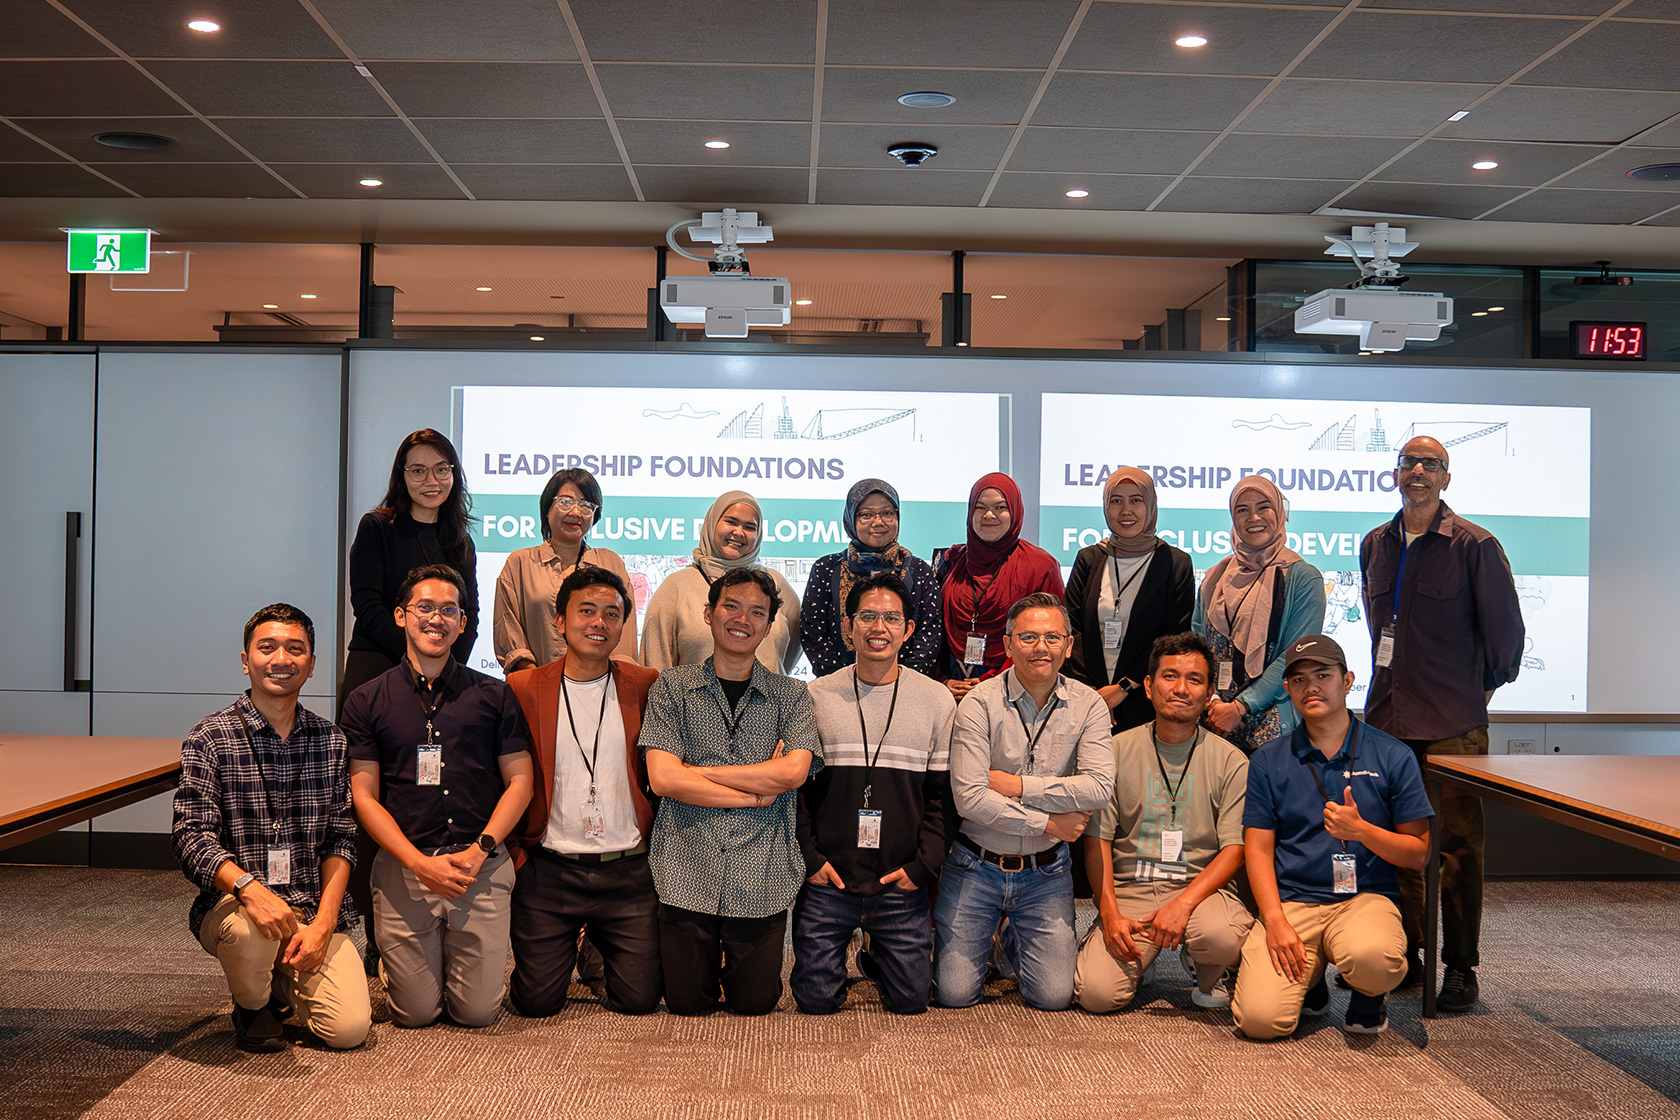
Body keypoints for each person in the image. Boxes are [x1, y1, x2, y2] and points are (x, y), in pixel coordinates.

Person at [1360, 436, 1524, 1013]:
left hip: (1453, 719)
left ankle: (1459, 967)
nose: (1419, 472)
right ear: (1396, 474)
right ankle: (1408, 953)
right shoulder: (1375, 543)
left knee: (1457, 847)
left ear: (1446, 478)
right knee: (1396, 842)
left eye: (1431, 464)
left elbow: (1506, 640)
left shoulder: (1475, 545)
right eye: (1409, 463)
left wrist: (1474, 691)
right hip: (1388, 718)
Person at [171, 604, 371, 1053]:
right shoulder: (211, 737)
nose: (281, 658)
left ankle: (278, 985)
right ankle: (253, 1002)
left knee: (350, 1030)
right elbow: (191, 837)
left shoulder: (331, 740)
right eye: (267, 647)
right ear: (246, 660)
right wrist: (249, 888)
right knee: (250, 933)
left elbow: (342, 839)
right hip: (236, 906)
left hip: (307, 908)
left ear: (312, 665)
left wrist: (323, 925)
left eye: (295, 649)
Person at [341, 564, 534, 1028]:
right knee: (415, 1014)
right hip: (406, 865)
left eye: (450, 610)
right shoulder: (367, 700)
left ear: (464, 623)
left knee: (477, 1013)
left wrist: (481, 849)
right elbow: (364, 796)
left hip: (478, 865)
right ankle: (405, 963)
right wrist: (417, 862)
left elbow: (521, 782)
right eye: (424, 608)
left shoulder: (494, 695)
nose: (437, 619)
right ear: (401, 616)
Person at [639, 566, 822, 1015]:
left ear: (769, 625)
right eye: (731, 606)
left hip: (761, 869)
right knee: (685, 1003)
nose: (743, 619)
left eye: (757, 612)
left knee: (755, 1003)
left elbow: (794, 773)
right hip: (686, 867)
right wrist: (759, 787)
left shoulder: (792, 695)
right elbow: (664, 779)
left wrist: (698, 773)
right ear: (709, 613)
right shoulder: (671, 687)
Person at [1231, 634, 1433, 1040]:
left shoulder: (1392, 755)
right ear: (1287, 690)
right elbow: (1257, 848)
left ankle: (1368, 993)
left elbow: (1418, 854)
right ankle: (1311, 980)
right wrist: (1273, 920)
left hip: (1365, 898)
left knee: (1373, 958)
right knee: (1259, 1021)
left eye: (1323, 675)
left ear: (1348, 680)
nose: (1312, 687)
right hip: (1293, 902)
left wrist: (1361, 832)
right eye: (1300, 680)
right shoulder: (1269, 759)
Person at [935, 592, 1115, 1011]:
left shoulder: (1089, 704)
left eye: (1053, 638)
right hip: (975, 865)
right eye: (1029, 637)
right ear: (1009, 642)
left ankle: (1009, 939)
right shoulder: (978, 703)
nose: (1041, 648)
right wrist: (1050, 824)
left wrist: (1017, 786)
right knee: (954, 994)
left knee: (1052, 997)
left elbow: (1099, 787)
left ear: (1069, 645)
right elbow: (970, 799)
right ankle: (992, 931)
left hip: (1045, 872)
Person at [793, 572, 958, 1015]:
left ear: (908, 629)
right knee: (814, 1001)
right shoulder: (816, 695)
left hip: (898, 881)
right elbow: (799, 794)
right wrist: (812, 860)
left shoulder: (937, 700)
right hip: (830, 878)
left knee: (910, 1002)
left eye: (891, 618)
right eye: (867, 616)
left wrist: (922, 868)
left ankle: (875, 954)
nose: (878, 627)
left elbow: (943, 798)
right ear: (848, 628)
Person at [503, 565, 662, 1016]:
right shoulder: (523, 687)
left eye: (611, 614)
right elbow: (504, 778)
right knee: (536, 1003)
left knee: (639, 1001)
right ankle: (573, 944)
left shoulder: (646, 685)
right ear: (560, 621)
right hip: (550, 870)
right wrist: (517, 853)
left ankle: (597, 948)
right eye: (586, 610)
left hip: (628, 871)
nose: (599, 622)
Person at [1073, 631, 1252, 1013]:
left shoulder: (1231, 760)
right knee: (1096, 996)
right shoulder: (1115, 751)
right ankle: (1143, 959)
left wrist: (1183, 905)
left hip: (1200, 890)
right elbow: (1097, 840)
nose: (1181, 688)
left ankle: (1208, 968)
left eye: (1195, 679)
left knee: (1218, 936)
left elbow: (1235, 849)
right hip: (1132, 888)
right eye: (1170, 676)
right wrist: (1108, 915)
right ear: (1150, 687)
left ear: (1208, 694)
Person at [1192, 475, 1327, 754]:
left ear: (1279, 513)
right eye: (1242, 509)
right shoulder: (1214, 578)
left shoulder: (1303, 578)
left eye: (1263, 507)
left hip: (1274, 726)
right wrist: (1214, 703)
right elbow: (1196, 646)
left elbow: (1295, 655)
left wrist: (1241, 707)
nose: (1253, 516)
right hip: (1214, 721)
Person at [344, 428, 479, 700]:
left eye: (442, 469)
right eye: (418, 471)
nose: (432, 480)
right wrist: (418, 652)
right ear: (402, 476)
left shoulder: (461, 541)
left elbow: (469, 615)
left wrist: (446, 663)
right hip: (378, 658)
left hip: (442, 667)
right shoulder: (378, 527)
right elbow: (367, 604)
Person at [1064, 468, 1195, 732]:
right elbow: (1071, 628)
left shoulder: (1175, 563)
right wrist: (1093, 693)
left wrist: (1123, 688)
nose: (1126, 510)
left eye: (1136, 500)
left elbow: (1172, 637)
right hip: (1085, 700)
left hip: (1145, 701)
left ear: (1150, 505)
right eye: (1116, 500)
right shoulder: (1089, 559)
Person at [936, 473, 1065, 701]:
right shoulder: (950, 561)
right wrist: (941, 681)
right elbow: (935, 630)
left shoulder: (1041, 566)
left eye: (1000, 507)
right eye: (980, 507)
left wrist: (993, 682)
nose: (989, 515)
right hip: (951, 689)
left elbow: (1049, 636)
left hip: (1015, 692)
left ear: (1015, 512)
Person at [641, 490, 801, 674]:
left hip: (769, 701)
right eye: (731, 522)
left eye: (750, 527)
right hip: (693, 702)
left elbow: (793, 648)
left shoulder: (775, 584)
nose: (739, 532)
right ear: (712, 524)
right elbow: (655, 662)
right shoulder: (676, 586)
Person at [494, 467, 638, 673]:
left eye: (586, 505)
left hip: (602, 689)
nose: (576, 512)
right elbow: (508, 631)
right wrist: (537, 682)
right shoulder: (520, 562)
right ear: (547, 508)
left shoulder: (610, 562)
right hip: (536, 686)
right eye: (566, 501)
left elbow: (624, 636)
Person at [799, 478, 942, 679]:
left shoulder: (919, 571)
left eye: (887, 513)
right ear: (850, 519)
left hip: (905, 688)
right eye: (866, 515)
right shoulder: (827, 569)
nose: (878, 522)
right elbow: (813, 631)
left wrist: (903, 682)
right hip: (839, 690)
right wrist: (843, 681)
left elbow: (929, 634)